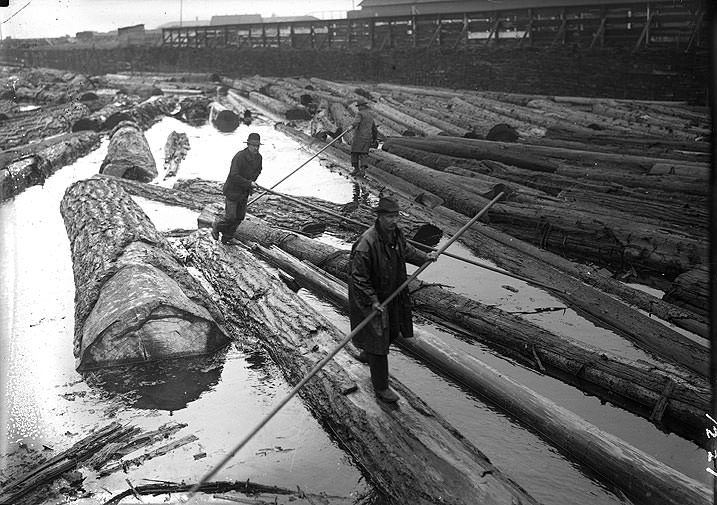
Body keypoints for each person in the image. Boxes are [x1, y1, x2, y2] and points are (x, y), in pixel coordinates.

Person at [348, 195, 437, 403]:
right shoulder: (366, 243)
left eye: (396, 216)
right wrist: (372, 301)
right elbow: (359, 278)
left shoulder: (396, 234)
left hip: (392, 291)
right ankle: (381, 388)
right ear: (379, 217)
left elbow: (406, 250)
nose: (394, 220)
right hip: (368, 296)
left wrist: (425, 257)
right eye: (389, 216)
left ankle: (367, 353)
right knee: (378, 340)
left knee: (394, 329)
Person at [211, 132, 263, 244]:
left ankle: (227, 237)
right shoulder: (239, 156)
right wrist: (248, 183)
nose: (255, 148)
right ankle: (217, 226)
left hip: (244, 192)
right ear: (248, 145)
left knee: (239, 217)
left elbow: (258, 170)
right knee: (230, 217)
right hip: (232, 190)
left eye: (257, 146)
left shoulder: (259, 158)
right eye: (253, 145)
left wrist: (252, 182)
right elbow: (233, 175)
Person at [350, 100, 378, 177]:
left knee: (354, 152)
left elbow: (356, 122)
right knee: (364, 154)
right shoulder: (370, 115)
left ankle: (356, 169)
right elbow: (374, 128)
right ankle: (363, 171)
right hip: (367, 138)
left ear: (362, 106)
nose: (358, 108)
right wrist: (374, 138)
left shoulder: (360, 113)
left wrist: (351, 126)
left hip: (358, 137)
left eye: (359, 106)